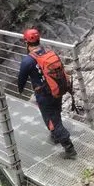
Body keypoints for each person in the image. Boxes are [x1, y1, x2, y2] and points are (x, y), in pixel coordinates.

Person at [17, 28, 77, 159]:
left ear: (26, 43)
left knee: (52, 121)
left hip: (44, 95)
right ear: (39, 39)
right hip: (57, 90)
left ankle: (69, 149)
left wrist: (20, 90)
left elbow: (21, 79)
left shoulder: (27, 60)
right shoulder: (49, 52)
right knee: (56, 114)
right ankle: (56, 136)